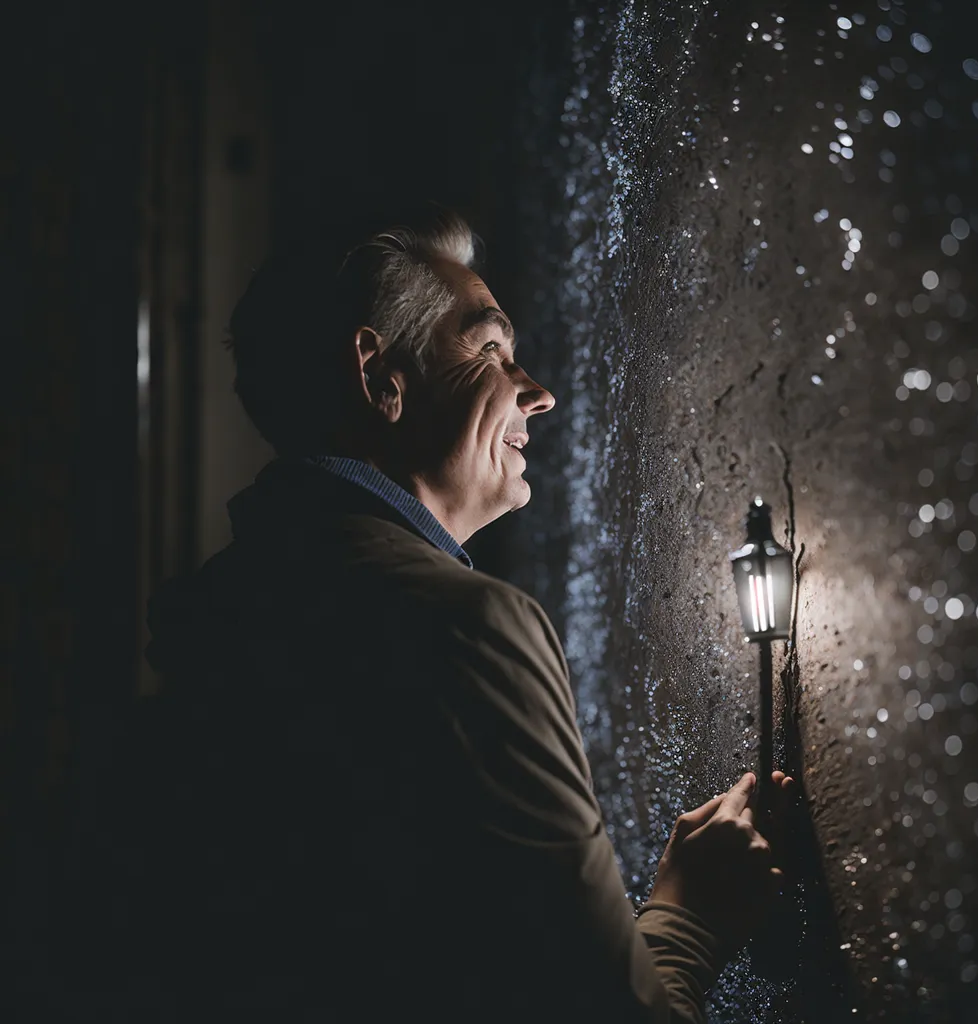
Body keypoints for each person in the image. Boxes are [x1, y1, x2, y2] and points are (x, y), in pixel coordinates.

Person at [137, 205, 794, 1021]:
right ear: (382, 378)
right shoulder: (466, 626)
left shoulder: (227, 612)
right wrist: (687, 919)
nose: (539, 393)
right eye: (489, 349)